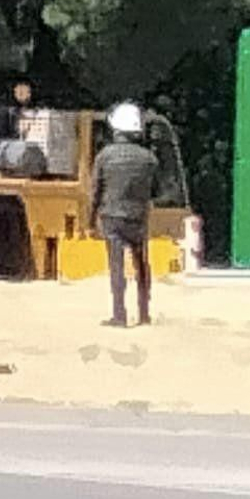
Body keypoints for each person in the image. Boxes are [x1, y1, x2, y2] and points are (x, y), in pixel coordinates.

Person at [91, 101, 159, 329]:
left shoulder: (104, 156)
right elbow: (156, 191)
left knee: (117, 266)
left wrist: (91, 218)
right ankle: (144, 314)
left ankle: (119, 315)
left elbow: (95, 191)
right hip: (138, 216)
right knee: (141, 263)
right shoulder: (149, 158)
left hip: (111, 216)